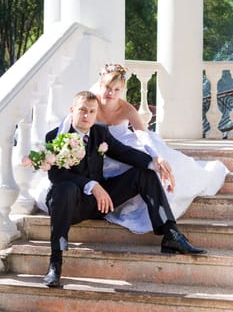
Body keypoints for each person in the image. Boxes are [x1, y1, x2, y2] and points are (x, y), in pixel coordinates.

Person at [44, 91, 206, 287]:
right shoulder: (55, 136)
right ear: (72, 110)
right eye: (82, 110)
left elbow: (124, 153)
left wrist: (155, 162)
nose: (87, 116)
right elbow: (56, 175)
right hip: (71, 205)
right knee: (64, 188)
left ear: (96, 114)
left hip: (100, 203)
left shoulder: (100, 134)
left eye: (91, 111)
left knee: (144, 174)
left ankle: (170, 234)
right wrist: (91, 185)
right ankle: (55, 262)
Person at [57, 64, 229, 234]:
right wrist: (61, 145)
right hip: (98, 149)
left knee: (157, 163)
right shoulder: (91, 103)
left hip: (121, 145)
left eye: (117, 90)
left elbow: (142, 134)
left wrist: (156, 156)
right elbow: (70, 120)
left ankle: (165, 224)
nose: (111, 94)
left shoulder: (126, 109)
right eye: (108, 88)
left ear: (122, 90)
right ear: (101, 85)